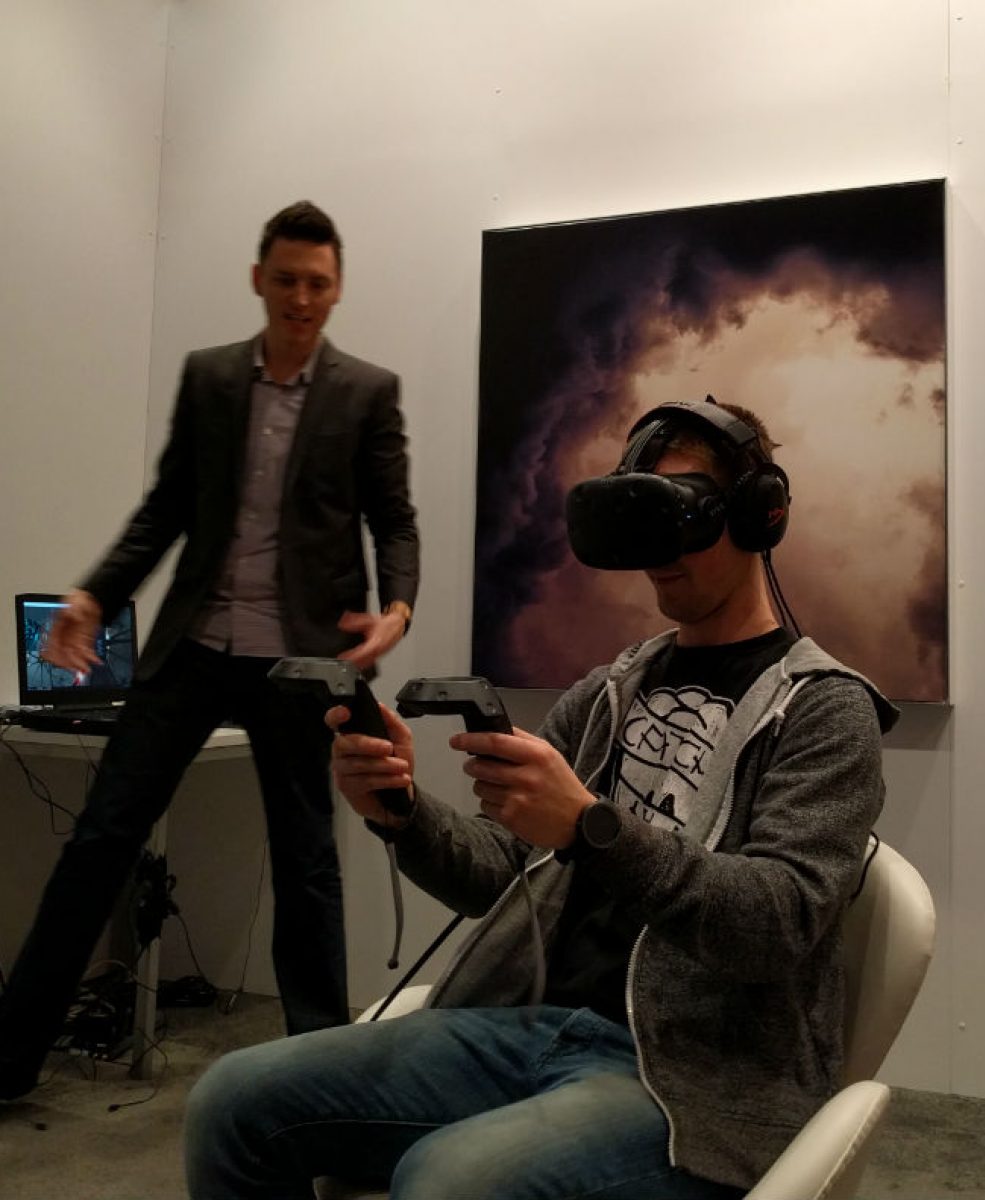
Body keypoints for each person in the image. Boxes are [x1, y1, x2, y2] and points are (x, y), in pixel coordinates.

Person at [183, 398, 897, 1199]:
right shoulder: (609, 691)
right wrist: (404, 811)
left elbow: (777, 923)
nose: (661, 552)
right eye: (645, 520)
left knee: (447, 1182)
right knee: (232, 1102)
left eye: (686, 517)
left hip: (691, 1079)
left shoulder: (825, 710)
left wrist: (593, 829)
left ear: (759, 515)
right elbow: (504, 878)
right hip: (529, 1028)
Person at [0, 201, 419, 1102]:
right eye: (286, 280)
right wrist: (94, 595)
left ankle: (321, 1080)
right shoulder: (211, 378)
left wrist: (397, 608)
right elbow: (164, 512)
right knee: (99, 840)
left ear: (337, 288)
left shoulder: (366, 392)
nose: (300, 298)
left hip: (299, 663)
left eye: (317, 284)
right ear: (258, 279)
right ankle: (8, 1060)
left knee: (306, 863)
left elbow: (395, 519)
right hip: (192, 648)